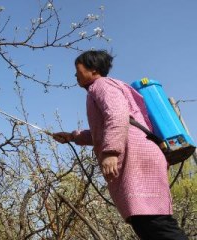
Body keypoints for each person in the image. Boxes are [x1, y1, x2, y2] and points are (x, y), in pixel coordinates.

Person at [52, 50, 188, 239]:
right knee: (146, 223)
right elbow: (102, 131)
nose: (75, 75)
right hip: (140, 155)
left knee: (154, 223)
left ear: (93, 69)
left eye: (78, 69)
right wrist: (73, 136)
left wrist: (110, 152)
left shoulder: (102, 85)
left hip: (135, 157)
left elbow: (117, 116)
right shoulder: (104, 87)